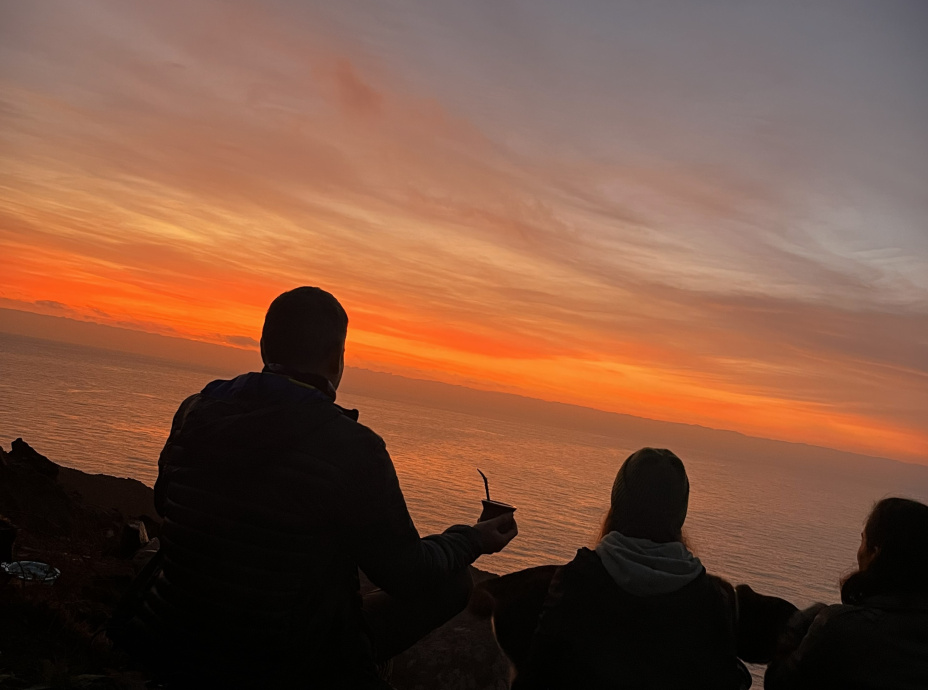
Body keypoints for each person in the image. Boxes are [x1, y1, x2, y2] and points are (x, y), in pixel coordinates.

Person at [114, 287, 518, 688]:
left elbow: (164, 502)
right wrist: (472, 540)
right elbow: (407, 574)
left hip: (168, 635)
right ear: (336, 358)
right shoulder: (353, 447)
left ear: (262, 346)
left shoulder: (195, 409)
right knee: (452, 583)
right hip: (283, 661)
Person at [512, 448, 751, 690]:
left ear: (618, 507)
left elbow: (536, 678)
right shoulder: (710, 600)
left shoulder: (577, 580)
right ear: (679, 515)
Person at [765, 497, 928, 690]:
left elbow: (779, 684)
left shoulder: (840, 627)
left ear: (875, 552)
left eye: (863, 540)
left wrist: (797, 628)